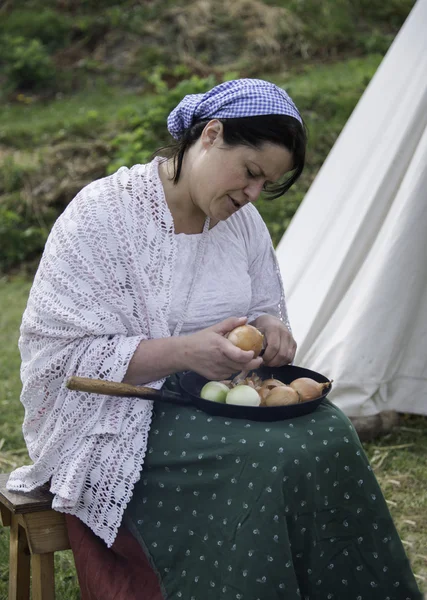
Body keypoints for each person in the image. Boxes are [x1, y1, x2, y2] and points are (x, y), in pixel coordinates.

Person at [7, 79, 421, 600]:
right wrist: (185, 353)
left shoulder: (242, 225)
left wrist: (272, 328)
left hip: (216, 404)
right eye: (250, 174)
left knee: (331, 432)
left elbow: (265, 308)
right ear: (211, 134)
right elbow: (60, 362)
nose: (252, 195)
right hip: (115, 418)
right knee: (267, 457)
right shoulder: (103, 214)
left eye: (264, 185)